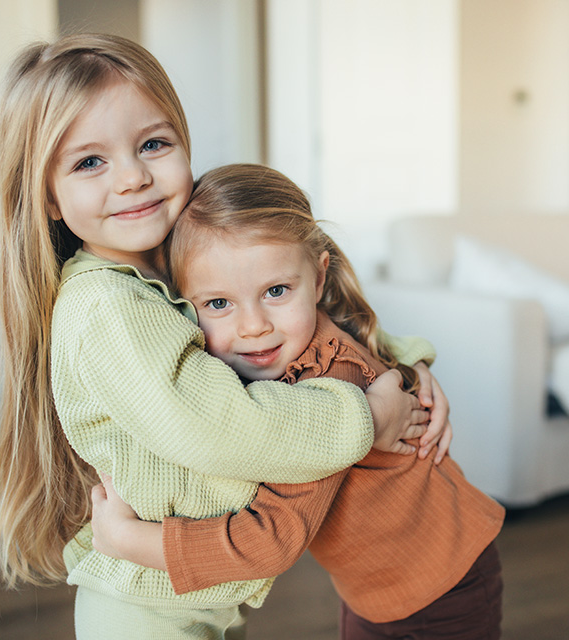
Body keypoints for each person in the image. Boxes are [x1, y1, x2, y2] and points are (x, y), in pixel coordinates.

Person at [0, 32, 447, 639]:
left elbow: (305, 298)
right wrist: (366, 414)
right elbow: (218, 426)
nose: (132, 177)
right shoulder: (108, 307)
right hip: (149, 606)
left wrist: (406, 367)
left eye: (152, 143)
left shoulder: (170, 261)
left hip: (202, 592)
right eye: (89, 161)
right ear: (47, 195)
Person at [91, 164, 505, 640]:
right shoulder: (269, 353)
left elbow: (269, 542)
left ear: (319, 279)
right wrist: (415, 362)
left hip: (442, 588)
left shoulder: (327, 395)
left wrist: (129, 540)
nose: (253, 326)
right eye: (218, 303)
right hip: (377, 588)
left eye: (276, 291)